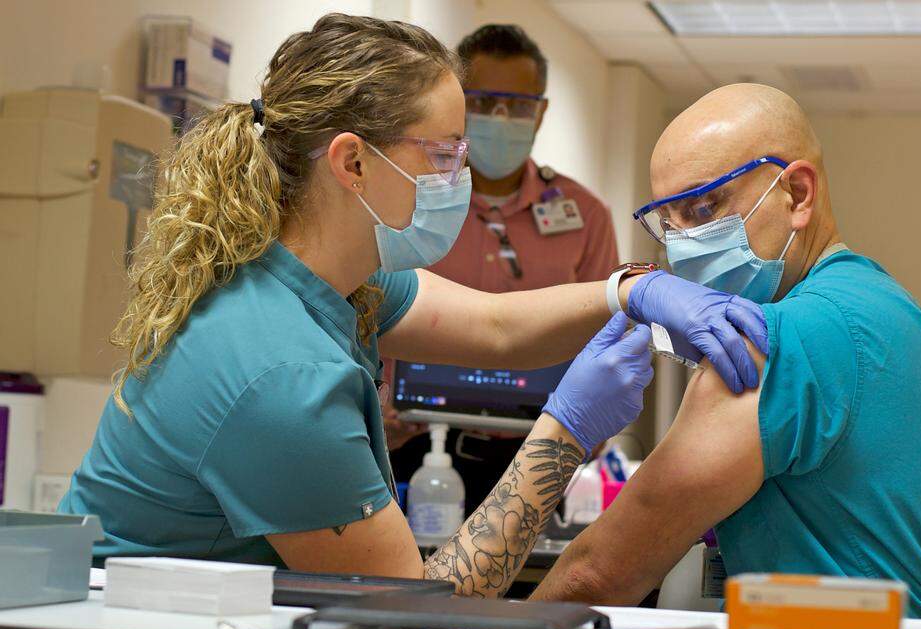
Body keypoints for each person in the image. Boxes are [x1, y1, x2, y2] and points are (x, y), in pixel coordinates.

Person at [56, 15, 768, 599]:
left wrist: (632, 290)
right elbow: (414, 616)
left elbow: (495, 325)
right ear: (352, 162)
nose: (464, 176)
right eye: (443, 156)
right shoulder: (280, 373)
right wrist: (566, 430)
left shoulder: (330, 278)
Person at [531, 84, 921, 620]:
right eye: (668, 222)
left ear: (798, 194)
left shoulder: (771, 341)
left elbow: (596, 576)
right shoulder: (885, 307)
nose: (682, 244)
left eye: (705, 206)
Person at [386, 24, 619, 511]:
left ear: (541, 112)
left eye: (518, 104)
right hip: (412, 449)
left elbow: (607, 338)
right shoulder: (414, 198)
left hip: (536, 454)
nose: (500, 116)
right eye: (484, 100)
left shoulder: (585, 216)